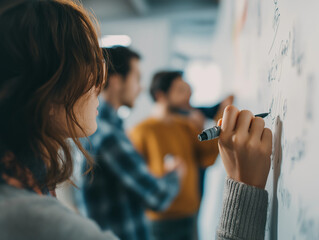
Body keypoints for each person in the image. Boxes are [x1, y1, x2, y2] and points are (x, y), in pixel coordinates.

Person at [0, 1, 272, 240]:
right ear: (44, 90)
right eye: (88, 64)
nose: (99, 81)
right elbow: (156, 196)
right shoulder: (31, 218)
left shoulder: (30, 185)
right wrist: (243, 187)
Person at [78, 46, 184, 240]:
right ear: (117, 81)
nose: (141, 87)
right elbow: (157, 197)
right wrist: (174, 173)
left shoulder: (106, 128)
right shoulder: (108, 135)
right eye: (137, 78)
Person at [129, 71, 221, 240]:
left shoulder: (187, 125)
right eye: (180, 91)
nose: (188, 96)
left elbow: (208, 158)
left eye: (188, 90)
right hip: (158, 220)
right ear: (160, 95)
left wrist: (205, 127)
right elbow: (133, 179)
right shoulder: (140, 131)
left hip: (190, 214)